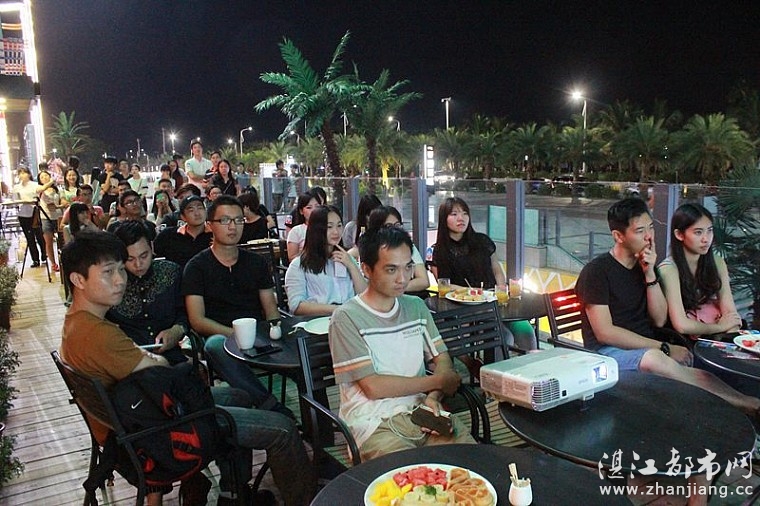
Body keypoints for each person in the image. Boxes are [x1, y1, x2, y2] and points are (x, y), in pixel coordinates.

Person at [59, 230, 315, 505]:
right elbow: (160, 370)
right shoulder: (98, 334)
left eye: (121, 269)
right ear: (78, 279)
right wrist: (157, 359)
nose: (120, 279)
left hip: (135, 421)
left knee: (239, 396)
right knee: (283, 429)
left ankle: (233, 493)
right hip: (157, 432)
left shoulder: (76, 324)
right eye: (108, 272)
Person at [575, 198, 760, 415]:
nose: (649, 236)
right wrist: (663, 347)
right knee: (657, 359)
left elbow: (659, 319)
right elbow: (605, 333)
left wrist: (649, 274)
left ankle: (747, 403)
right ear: (618, 236)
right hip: (606, 354)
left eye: (651, 227)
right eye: (640, 231)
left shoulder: (645, 267)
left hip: (647, 347)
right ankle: (745, 405)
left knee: (696, 369)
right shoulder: (596, 272)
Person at [329, 226, 475, 461]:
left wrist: (433, 397)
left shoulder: (415, 307)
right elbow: (373, 387)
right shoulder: (346, 318)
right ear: (366, 269)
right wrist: (438, 381)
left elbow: (442, 359)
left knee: (470, 464)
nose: (403, 278)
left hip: (422, 411)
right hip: (374, 423)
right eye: (391, 269)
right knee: (413, 477)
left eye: (408, 267)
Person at [182, 195, 294, 418]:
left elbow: (270, 309)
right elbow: (197, 320)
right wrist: (235, 335)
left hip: (258, 335)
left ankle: (314, 409)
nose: (233, 227)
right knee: (215, 344)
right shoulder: (196, 267)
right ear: (210, 225)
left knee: (296, 337)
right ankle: (268, 404)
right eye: (225, 220)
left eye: (238, 220)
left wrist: (275, 329)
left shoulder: (256, 262)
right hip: (220, 338)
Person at [430, 197, 536, 350]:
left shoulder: (482, 241)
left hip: (494, 301)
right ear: (444, 219)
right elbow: (444, 285)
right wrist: (473, 293)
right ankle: (499, 365)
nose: (461, 218)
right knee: (505, 337)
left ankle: (532, 363)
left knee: (526, 330)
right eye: (454, 214)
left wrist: (500, 289)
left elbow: (497, 270)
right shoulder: (440, 250)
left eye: (465, 213)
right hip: (468, 308)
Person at [107, 221, 188, 365]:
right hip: (128, 361)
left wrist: (177, 330)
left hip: (172, 357)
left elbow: (185, 312)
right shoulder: (110, 285)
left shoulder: (171, 273)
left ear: (152, 247)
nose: (138, 264)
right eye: (130, 259)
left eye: (144, 256)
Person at [659, 202, 742, 339]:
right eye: (698, 232)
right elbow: (681, 324)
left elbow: (730, 311)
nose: (706, 239)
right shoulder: (669, 269)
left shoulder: (717, 262)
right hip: (683, 337)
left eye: (709, 230)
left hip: (715, 330)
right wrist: (720, 327)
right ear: (679, 234)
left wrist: (731, 328)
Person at [284, 205, 366, 315]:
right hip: (319, 320)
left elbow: (365, 296)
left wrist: (351, 265)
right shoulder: (299, 265)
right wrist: (338, 309)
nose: (336, 232)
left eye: (339, 225)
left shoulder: (346, 259)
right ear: (316, 229)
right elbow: (296, 306)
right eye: (329, 227)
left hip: (350, 318)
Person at [349, 206, 430, 294]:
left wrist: (397, 287)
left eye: (397, 225)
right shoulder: (370, 249)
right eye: (388, 226)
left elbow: (424, 281)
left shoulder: (406, 247)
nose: (395, 230)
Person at [153, 195, 213, 268]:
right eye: (191, 210)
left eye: (200, 208)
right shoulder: (168, 235)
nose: (197, 213)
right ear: (183, 217)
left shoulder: (216, 233)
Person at [13, 166, 47, 267]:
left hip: (34, 213)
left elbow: (40, 191)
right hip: (23, 213)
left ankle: (44, 254)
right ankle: (35, 259)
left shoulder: (34, 185)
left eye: (24, 173)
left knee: (39, 236)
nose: (22, 175)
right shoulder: (17, 187)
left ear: (29, 174)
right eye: (20, 173)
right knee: (30, 238)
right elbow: (15, 200)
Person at [37, 169, 62, 272]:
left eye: (46, 175)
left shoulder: (57, 189)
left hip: (58, 217)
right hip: (45, 218)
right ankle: (53, 263)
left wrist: (58, 206)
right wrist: (51, 181)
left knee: (61, 240)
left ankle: (63, 261)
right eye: (42, 177)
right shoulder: (40, 190)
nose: (44, 178)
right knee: (49, 242)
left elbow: (61, 202)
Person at [286, 191, 320, 262]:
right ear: (301, 211)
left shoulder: (328, 228)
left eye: (317, 206)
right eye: (309, 207)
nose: (314, 210)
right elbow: (292, 258)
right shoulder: (296, 231)